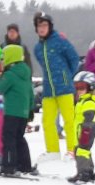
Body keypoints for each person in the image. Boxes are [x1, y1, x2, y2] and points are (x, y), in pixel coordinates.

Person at [33, 12, 79, 161]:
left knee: (69, 120)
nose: (42, 28)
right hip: (48, 89)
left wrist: (67, 76)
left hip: (64, 87)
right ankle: (52, 150)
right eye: (39, 25)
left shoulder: (60, 40)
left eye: (44, 25)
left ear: (50, 26)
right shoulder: (37, 48)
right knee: (47, 121)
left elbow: (74, 59)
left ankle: (72, 150)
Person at [0, 45, 34, 175]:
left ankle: (9, 166)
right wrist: (30, 110)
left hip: (11, 112)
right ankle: (25, 165)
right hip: (23, 112)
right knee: (19, 138)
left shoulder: (9, 74)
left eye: (3, 58)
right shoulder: (26, 72)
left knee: (8, 138)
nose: (2, 61)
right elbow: (30, 92)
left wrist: (2, 73)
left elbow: (0, 88)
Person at [68, 71, 95, 183]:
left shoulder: (89, 102)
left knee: (81, 151)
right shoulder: (82, 99)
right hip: (82, 129)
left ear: (91, 87)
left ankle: (83, 173)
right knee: (82, 150)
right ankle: (88, 171)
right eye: (77, 87)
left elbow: (88, 118)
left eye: (82, 87)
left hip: (86, 129)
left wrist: (85, 132)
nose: (78, 90)